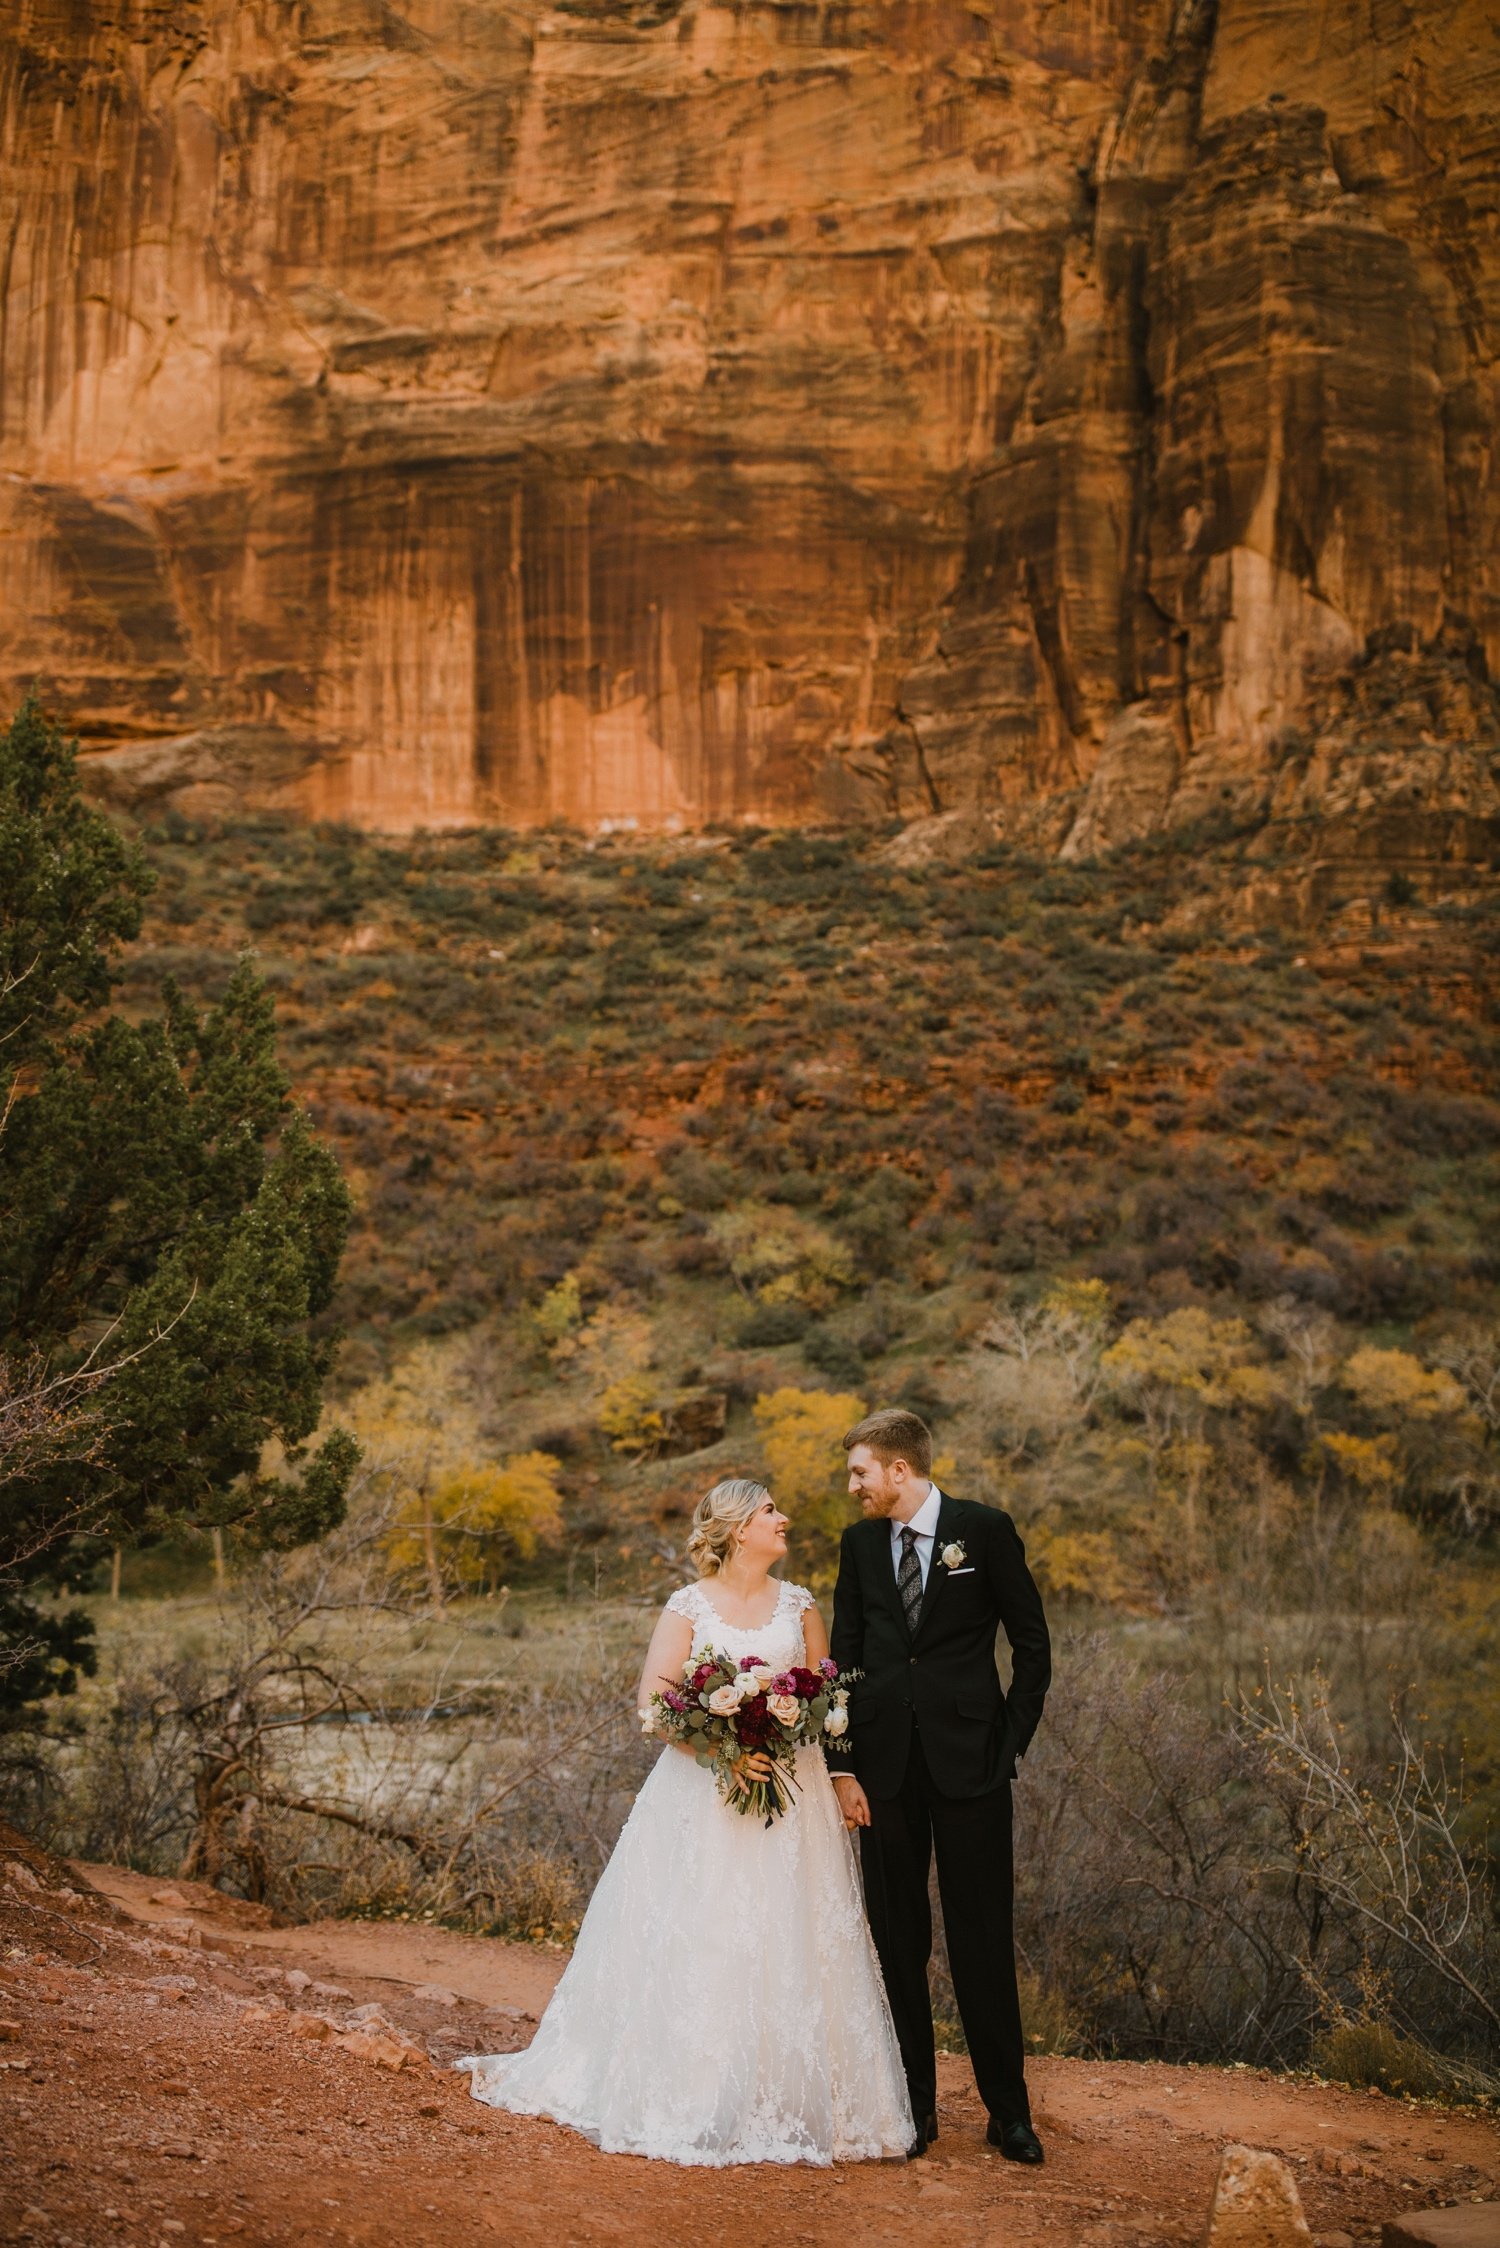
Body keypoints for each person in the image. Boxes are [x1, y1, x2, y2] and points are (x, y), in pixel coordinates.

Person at [459, 1477, 912, 2166]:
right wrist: (723, 1751)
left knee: (794, 1931)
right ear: (736, 1528)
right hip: (706, 1792)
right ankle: (697, 2091)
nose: (783, 1518)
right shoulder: (689, 1606)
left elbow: (826, 1691)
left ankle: (794, 2098)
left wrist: (816, 1743)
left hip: (796, 1790)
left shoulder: (801, 1604)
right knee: (709, 1929)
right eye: (770, 1511)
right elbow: (657, 1701)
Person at [828, 1408, 1051, 2165]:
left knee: (982, 1938)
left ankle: (1009, 2114)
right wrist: (843, 1763)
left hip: (972, 1770)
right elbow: (846, 1658)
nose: (852, 1486)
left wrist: (1008, 1743)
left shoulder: (984, 1530)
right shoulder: (859, 1546)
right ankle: (912, 2109)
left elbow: (1032, 1645)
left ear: (899, 1469)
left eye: (860, 1472)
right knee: (899, 1942)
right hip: (884, 1774)